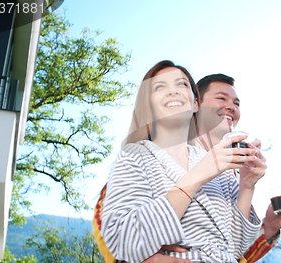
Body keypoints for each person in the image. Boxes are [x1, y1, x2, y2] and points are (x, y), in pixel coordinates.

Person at [94, 61, 263, 263]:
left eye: (181, 84)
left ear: (195, 103)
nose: (173, 91)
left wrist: (246, 185)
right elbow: (124, 241)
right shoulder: (135, 157)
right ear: (148, 105)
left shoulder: (221, 168)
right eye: (160, 86)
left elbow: (234, 249)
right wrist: (196, 177)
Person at [146, 74, 281, 263]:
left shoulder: (231, 171)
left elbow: (232, 249)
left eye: (237, 103)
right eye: (221, 98)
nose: (232, 107)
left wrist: (249, 189)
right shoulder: (162, 149)